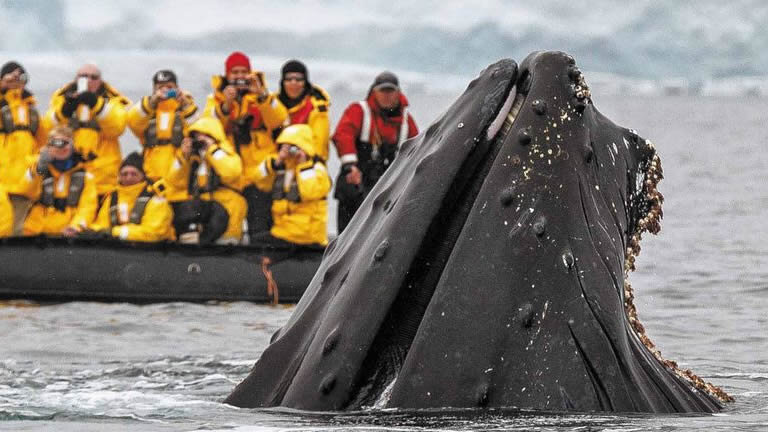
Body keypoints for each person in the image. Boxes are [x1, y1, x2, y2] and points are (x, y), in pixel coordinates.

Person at [203, 51, 287, 241]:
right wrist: (227, 104)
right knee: (231, 225)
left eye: (243, 72)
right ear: (227, 75)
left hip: (259, 175)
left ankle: (263, 265)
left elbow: (279, 120)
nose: (240, 76)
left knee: (260, 228)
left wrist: (262, 95)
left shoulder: (263, 95)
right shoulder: (216, 98)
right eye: (235, 72)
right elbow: (208, 125)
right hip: (232, 175)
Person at [332, 71, 419, 233]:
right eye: (382, 91)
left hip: (387, 183)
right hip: (357, 179)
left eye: (390, 91)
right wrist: (350, 166)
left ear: (398, 93)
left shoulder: (406, 122)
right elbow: (343, 135)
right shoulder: (359, 111)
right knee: (348, 225)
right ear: (374, 91)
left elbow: (418, 150)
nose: (386, 95)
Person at [42, 63, 130, 199]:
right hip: (68, 174)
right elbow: (47, 128)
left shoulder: (112, 100)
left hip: (103, 177)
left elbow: (117, 128)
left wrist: (96, 105)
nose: (89, 80)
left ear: (100, 81)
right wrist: (65, 111)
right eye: (83, 77)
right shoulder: (62, 98)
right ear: (76, 79)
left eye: (93, 77)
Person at [164, 117, 245, 245]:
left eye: (205, 136)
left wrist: (211, 149)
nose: (200, 140)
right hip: (202, 221)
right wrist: (183, 157)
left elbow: (231, 173)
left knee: (224, 257)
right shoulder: (192, 159)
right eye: (196, 137)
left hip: (228, 218)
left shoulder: (227, 154)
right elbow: (173, 181)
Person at [253, 124, 331, 249]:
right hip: (282, 234)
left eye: (294, 147)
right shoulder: (282, 169)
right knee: (255, 243)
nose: (290, 151)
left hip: (309, 237)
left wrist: (303, 164)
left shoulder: (317, 169)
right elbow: (258, 182)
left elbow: (310, 192)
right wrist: (276, 163)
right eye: (286, 146)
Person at [19, 126, 98, 237]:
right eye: (55, 143)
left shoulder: (85, 176)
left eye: (65, 143)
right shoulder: (37, 167)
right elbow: (26, 192)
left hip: (68, 234)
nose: (60, 147)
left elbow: (88, 207)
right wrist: (39, 168)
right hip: (37, 232)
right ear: (48, 146)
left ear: (73, 145)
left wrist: (76, 227)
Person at [127, 69, 198, 183]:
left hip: (179, 175)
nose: (165, 90)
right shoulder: (148, 111)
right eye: (160, 87)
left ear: (177, 88)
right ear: (154, 90)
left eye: (169, 87)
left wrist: (185, 104)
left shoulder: (184, 109)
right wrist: (151, 102)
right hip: (151, 176)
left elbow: (198, 130)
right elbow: (132, 122)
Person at [0, 61, 45, 235]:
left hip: (22, 182)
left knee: (17, 231)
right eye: (10, 75)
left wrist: (35, 166)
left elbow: (43, 142)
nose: (15, 80)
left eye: (20, 76)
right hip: (3, 179)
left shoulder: (31, 109)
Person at [90, 152, 174, 242]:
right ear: (119, 176)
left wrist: (115, 232)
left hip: (153, 250)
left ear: (143, 176)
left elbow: (153, 232)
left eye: (134, 174)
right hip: (119, 248)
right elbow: (102, 224)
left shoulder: (155, 198)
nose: (129, 178)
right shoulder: (112, 198)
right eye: (124, 174)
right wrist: (90, 231)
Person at [277, 59, 331, 161]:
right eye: (288, 79)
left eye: (299, 79)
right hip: (277, 161)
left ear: (305, 83)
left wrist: (306, 154)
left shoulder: (316, 107)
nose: (293, 83)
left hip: (307, 159)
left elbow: (319, 144)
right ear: (282, 82)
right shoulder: (274, 104)